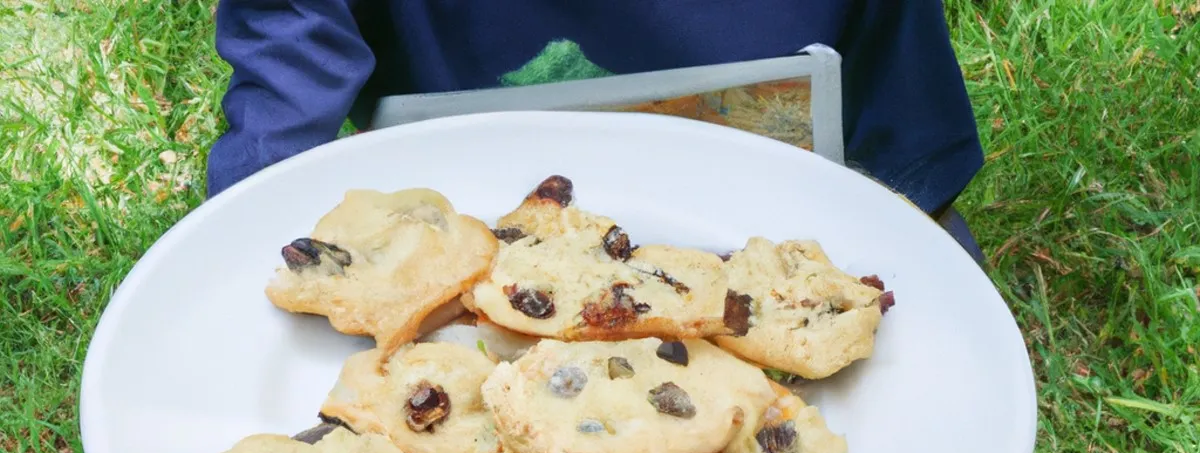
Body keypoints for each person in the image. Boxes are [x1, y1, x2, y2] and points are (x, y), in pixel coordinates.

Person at [206, 1, 985, 260]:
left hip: (766, 206)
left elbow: (901, 134)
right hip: (474, 240)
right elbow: (291, 64)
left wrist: (909, 215)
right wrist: (255, 238)